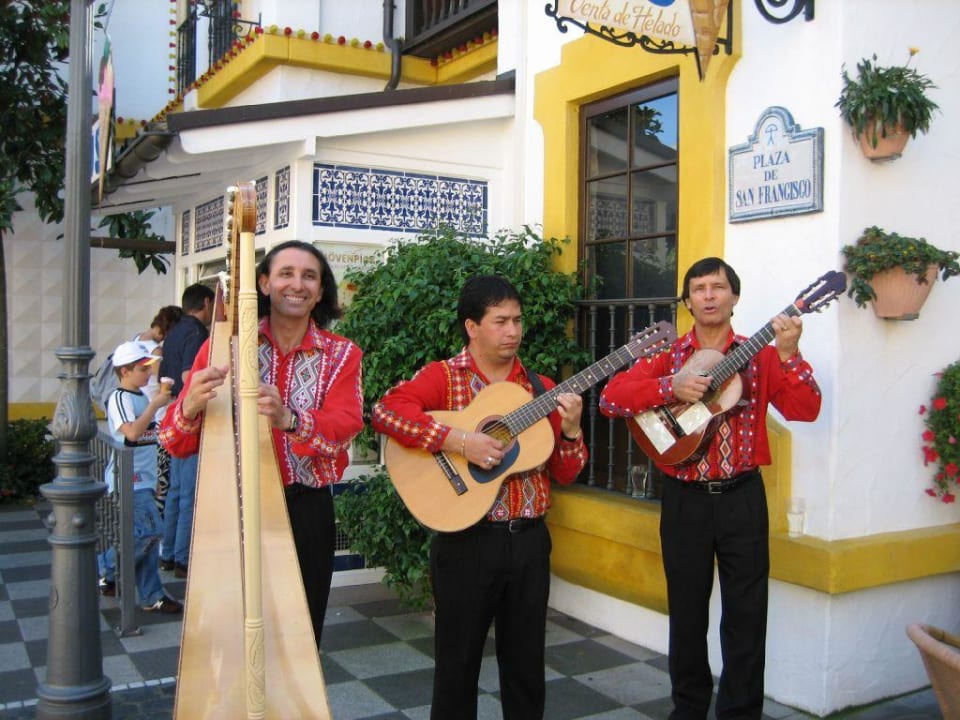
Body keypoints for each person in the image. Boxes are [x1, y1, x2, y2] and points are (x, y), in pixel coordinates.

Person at [598, 257, 822, 720]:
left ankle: (740, 714)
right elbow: (610, 398)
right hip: (685, 500)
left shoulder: (760, 355)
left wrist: (789, 354)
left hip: (743, 498)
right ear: (687, 302)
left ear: (734, 297)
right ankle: (688, 710)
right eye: (698, 288)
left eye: (718, 287)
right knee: (686, 614)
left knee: (746, 616)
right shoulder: (670, 356)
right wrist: (669, 387)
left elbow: (805, 409)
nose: (708, 296)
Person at [371, 274, 587, 720]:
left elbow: (565, 472)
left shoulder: (541, 389)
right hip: (466, 541)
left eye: (517, 321)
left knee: (526, 665)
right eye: (500, 321)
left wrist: (570, 431)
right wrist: (458, 440)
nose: (512, 331)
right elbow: (386, 410)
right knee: (457, 665)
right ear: (472, 326)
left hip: (529, 540)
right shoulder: (444, 377)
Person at [159, 241, 364, 646]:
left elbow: (347, 426)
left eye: (310, 276)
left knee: (301, 638)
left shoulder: (342, 354)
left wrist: (290, 419)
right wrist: (191, 406)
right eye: (286, 273)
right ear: (264, 283)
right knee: (229, 640)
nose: (298, 284)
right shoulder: (224, 347)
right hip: (231, 510)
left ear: (321, 291)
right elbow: (172, 441)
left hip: (307, 509)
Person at [103, 340, 182, 613]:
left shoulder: (138, 396)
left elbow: (149, 438)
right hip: (128, 480)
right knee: (150, 534)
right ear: (124, 371)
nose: (148, 372)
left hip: (142, 480)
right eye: (142, 367)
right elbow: (132, 434)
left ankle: (151, 595)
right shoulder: (120, 398)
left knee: (146, 539)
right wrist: (156, 405)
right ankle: (106, 567)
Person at [158, 284, 214, 577]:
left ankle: (168, 552)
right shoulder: (196, 333)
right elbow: (189, 377)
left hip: (173, 418)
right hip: (190, 424)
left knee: (176, 492)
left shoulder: (174, 332)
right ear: (207, 302)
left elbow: (166, 380)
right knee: (189, 494)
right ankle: (182, 557)